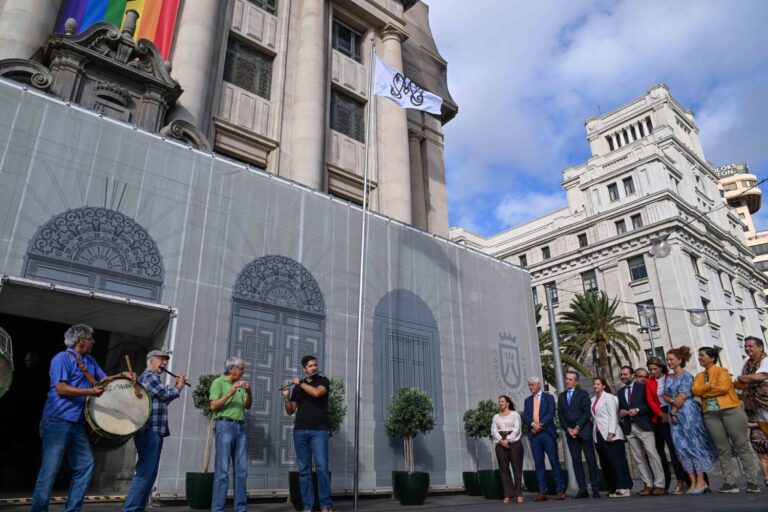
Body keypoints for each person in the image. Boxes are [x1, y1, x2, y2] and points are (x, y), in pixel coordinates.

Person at [30, 324, 135, 512]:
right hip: (57, 421)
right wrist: (89, 391)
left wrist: (122, 375)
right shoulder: (61, 358)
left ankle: (73, 510)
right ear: (79, 340)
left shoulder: (90, 360)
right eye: (90, 338)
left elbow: (103, 381)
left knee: (85, 465)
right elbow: (61, 388)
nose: (93, 341)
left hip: (77, 424)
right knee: (50, 470)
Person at [122, 350, 186, 512]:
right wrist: (179, 386)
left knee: (149, 473)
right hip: (149, 429)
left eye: (165, 360)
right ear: (151, 360)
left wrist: (175, 390)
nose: (164, 363)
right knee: (145, 473)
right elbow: (165, 394)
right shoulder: (149, 376)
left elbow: (163, 400)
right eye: (162, 360)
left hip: (153, 430)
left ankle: (137, 508)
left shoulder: (152, 378)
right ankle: (131, 509)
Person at [692, 346, 760, 494]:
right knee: (722, 449)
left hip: (731, 411)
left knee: (741, 445)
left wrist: (705, 391)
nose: (700, 358)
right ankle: (729, 483)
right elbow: (695, 391)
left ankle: (752, 482)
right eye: (699, 356)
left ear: (712, 358)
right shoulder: (698, 376)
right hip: (711, 414)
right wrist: (710, 385)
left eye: (702, 355)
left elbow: (723, 388)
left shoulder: (722, 371)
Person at [663, 346, 717, 495]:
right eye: (667, 360)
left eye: (671, 359)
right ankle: (692, 481)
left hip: (688, 414)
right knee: (681, 448)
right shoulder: (669, 377)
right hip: (675, 418)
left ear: (680, 360)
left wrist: (673, 412)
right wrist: (672, 403)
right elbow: (665, 395)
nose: (668, 362)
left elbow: (682, 397)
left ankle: (701, 480)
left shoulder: (686, 376)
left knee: (694, 446)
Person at [282, 356, 333, 512]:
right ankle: (307, 506)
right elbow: (291, 410)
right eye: (310, 366)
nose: (314, 368)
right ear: (304, 368)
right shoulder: (298, 388)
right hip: (300, 431)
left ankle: (326, 505)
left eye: (315, 365)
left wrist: (300, 383)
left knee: (322, 467)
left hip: (319, 431)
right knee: (304, 470)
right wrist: (285, 398)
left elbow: (317, 393)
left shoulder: (323, 381)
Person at [210, 357, 252, 512]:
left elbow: (247, 405)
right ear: (232, 369)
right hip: (224, 426)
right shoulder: (218, 382)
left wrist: (249, 391)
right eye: (241, 368)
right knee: (222, 470)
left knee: (242, 471)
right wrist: (230, 392)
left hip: (240, 428)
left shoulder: (241, 385)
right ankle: (217, 509)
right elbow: (213, 406)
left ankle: (240, 509)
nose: (243, 371)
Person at [617, 366, 665, 495]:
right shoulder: (620, 392)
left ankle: (659, 484)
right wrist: (621, 412)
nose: (623, 377)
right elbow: (621, 408)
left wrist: (637, 410)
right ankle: (648, 485)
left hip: (644, 426)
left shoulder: (642, 387)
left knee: (652, 454)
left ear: (632, 375)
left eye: (625, 374)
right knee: (639, 458)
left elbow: (650, 405)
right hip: (629, 428)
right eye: (621, 375)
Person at [646, 357, 689, 494]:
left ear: (661, 367)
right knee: (664, 451)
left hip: (675, 412)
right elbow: (650, 401)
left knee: (676, 448)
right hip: (659, 416)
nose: (653, 372)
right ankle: (668, 483)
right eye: (650, 369)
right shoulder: (649, 382)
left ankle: (685, 480)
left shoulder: (670, 377)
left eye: (655, 368)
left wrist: (672, 413)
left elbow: (678, 394)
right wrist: (660, 414)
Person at [557, 370, 600, 498]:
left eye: (570, 379)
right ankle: (583, 489)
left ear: (576, 381)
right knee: (576, 461)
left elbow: (587, 412)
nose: (567, 381)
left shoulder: (583, 394)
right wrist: (567, 429)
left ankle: (595, 488)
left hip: (584, 431)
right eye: (566, 379)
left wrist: (577, 427)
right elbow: (560, 414)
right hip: (570, 434)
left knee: (591, 460)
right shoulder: (562, 396)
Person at [522, 376, 565, 501]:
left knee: (554, 461)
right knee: (539, 464)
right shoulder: (528, 400)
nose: (531, 387)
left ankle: (560, 490)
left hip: (547, 434)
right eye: (529, 385)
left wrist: (539, 425)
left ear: (539, 385)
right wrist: (532, 425)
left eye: (533, 385)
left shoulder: (549, 397)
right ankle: (542, 492)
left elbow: (551, 413)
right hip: (534, 436)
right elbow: (526, 416)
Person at [589, 376, 632, 498]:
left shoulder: (609, 397)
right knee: (606, 463)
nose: (595, 386)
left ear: (603, 385)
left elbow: (613, 415)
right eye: (594, 384)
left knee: (617, 462)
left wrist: (611, 432)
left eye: (598, 384)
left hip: (611, 434)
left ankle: (624, 488)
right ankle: (613, 488)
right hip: (598, 434)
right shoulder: (592, 400)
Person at [735, 336, 768, 487]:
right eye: (745, 346)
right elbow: (741, 385)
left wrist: (741, 378)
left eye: (750, 346)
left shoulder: (766, 361)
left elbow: (759, 376)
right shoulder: (747, 364)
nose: (747, 349)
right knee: (760, 447)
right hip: (756, 411)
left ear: (760, 348)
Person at [491, 395, 524, 504]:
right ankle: (508, 494)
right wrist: (501, 440)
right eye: (499, 401)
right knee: (504, 470)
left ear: (508, 403)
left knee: (517, 468)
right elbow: (494, 430)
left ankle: (519, 493)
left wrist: (508, 440)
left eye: (502, 401)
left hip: (514, 442)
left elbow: (517, 428)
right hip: (500, 442)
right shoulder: (496, 417)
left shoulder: (515, 414)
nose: (500, 403)